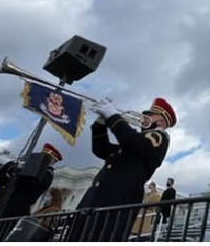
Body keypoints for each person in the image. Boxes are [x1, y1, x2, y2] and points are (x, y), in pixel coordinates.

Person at [70, 97, 176, 242]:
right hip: (96, 200)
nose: (144, 117)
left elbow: (132, 141)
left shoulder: (158, 137)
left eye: (150, 115)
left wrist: (113, 115)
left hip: (116, 200)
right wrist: (100, 124)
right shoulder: (133, 143)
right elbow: (101, 150)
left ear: (161, 122)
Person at [0, 143, 62, 220]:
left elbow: (26, 180)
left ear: (53, 161)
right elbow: (2, 184)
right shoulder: (28, 168)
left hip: (13, 212)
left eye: (46, 157)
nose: (41, 158)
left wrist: (10, 165)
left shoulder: (47, 174)